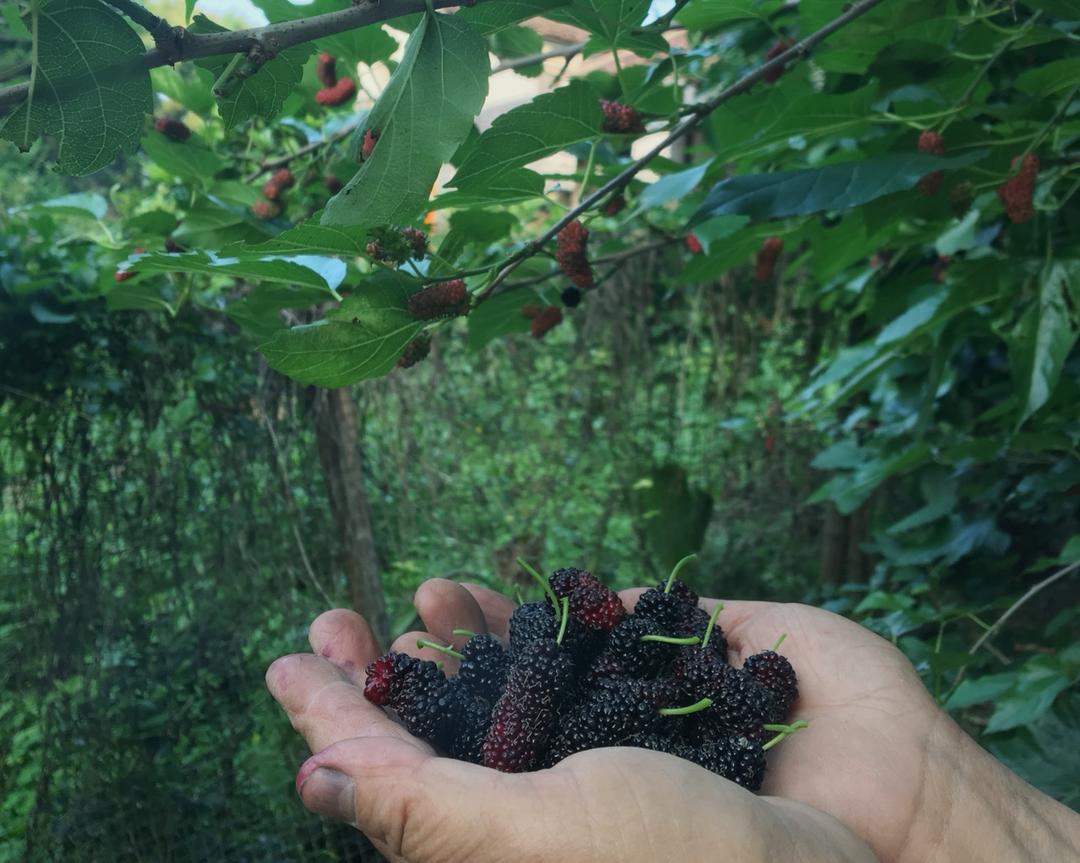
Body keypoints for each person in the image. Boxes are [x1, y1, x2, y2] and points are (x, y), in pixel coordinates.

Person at [266, 578, 1080, 862]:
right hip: (590, 690)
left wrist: (950, 798)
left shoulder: (700, 678)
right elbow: (553, 683)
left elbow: (666, 696)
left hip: (677, 697)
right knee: (506, 665)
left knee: (552, 677)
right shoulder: (556, 667)